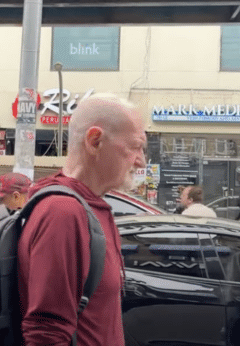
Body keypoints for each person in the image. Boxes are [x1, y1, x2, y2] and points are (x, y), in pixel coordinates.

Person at [17, 93, 146, 346]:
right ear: (95, 141)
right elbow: (46, 334)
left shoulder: (89, 206)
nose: (141, 160)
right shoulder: (63, 212)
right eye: (135, 146)